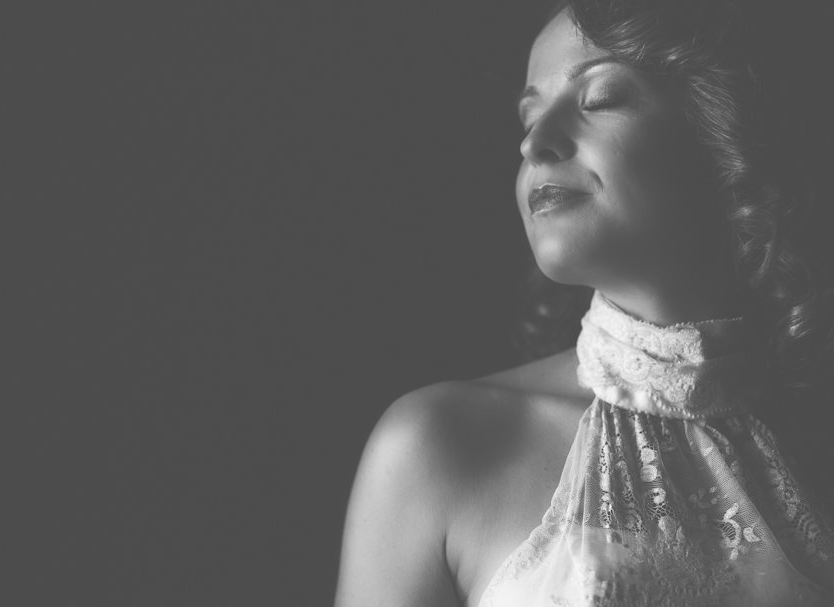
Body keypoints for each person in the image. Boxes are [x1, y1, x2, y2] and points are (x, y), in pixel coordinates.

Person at [334, 0, 834, 605]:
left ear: (720, 132)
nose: (535, 144)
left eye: (598, 99)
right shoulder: (437, 447)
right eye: (528, 118)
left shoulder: (813, 451)